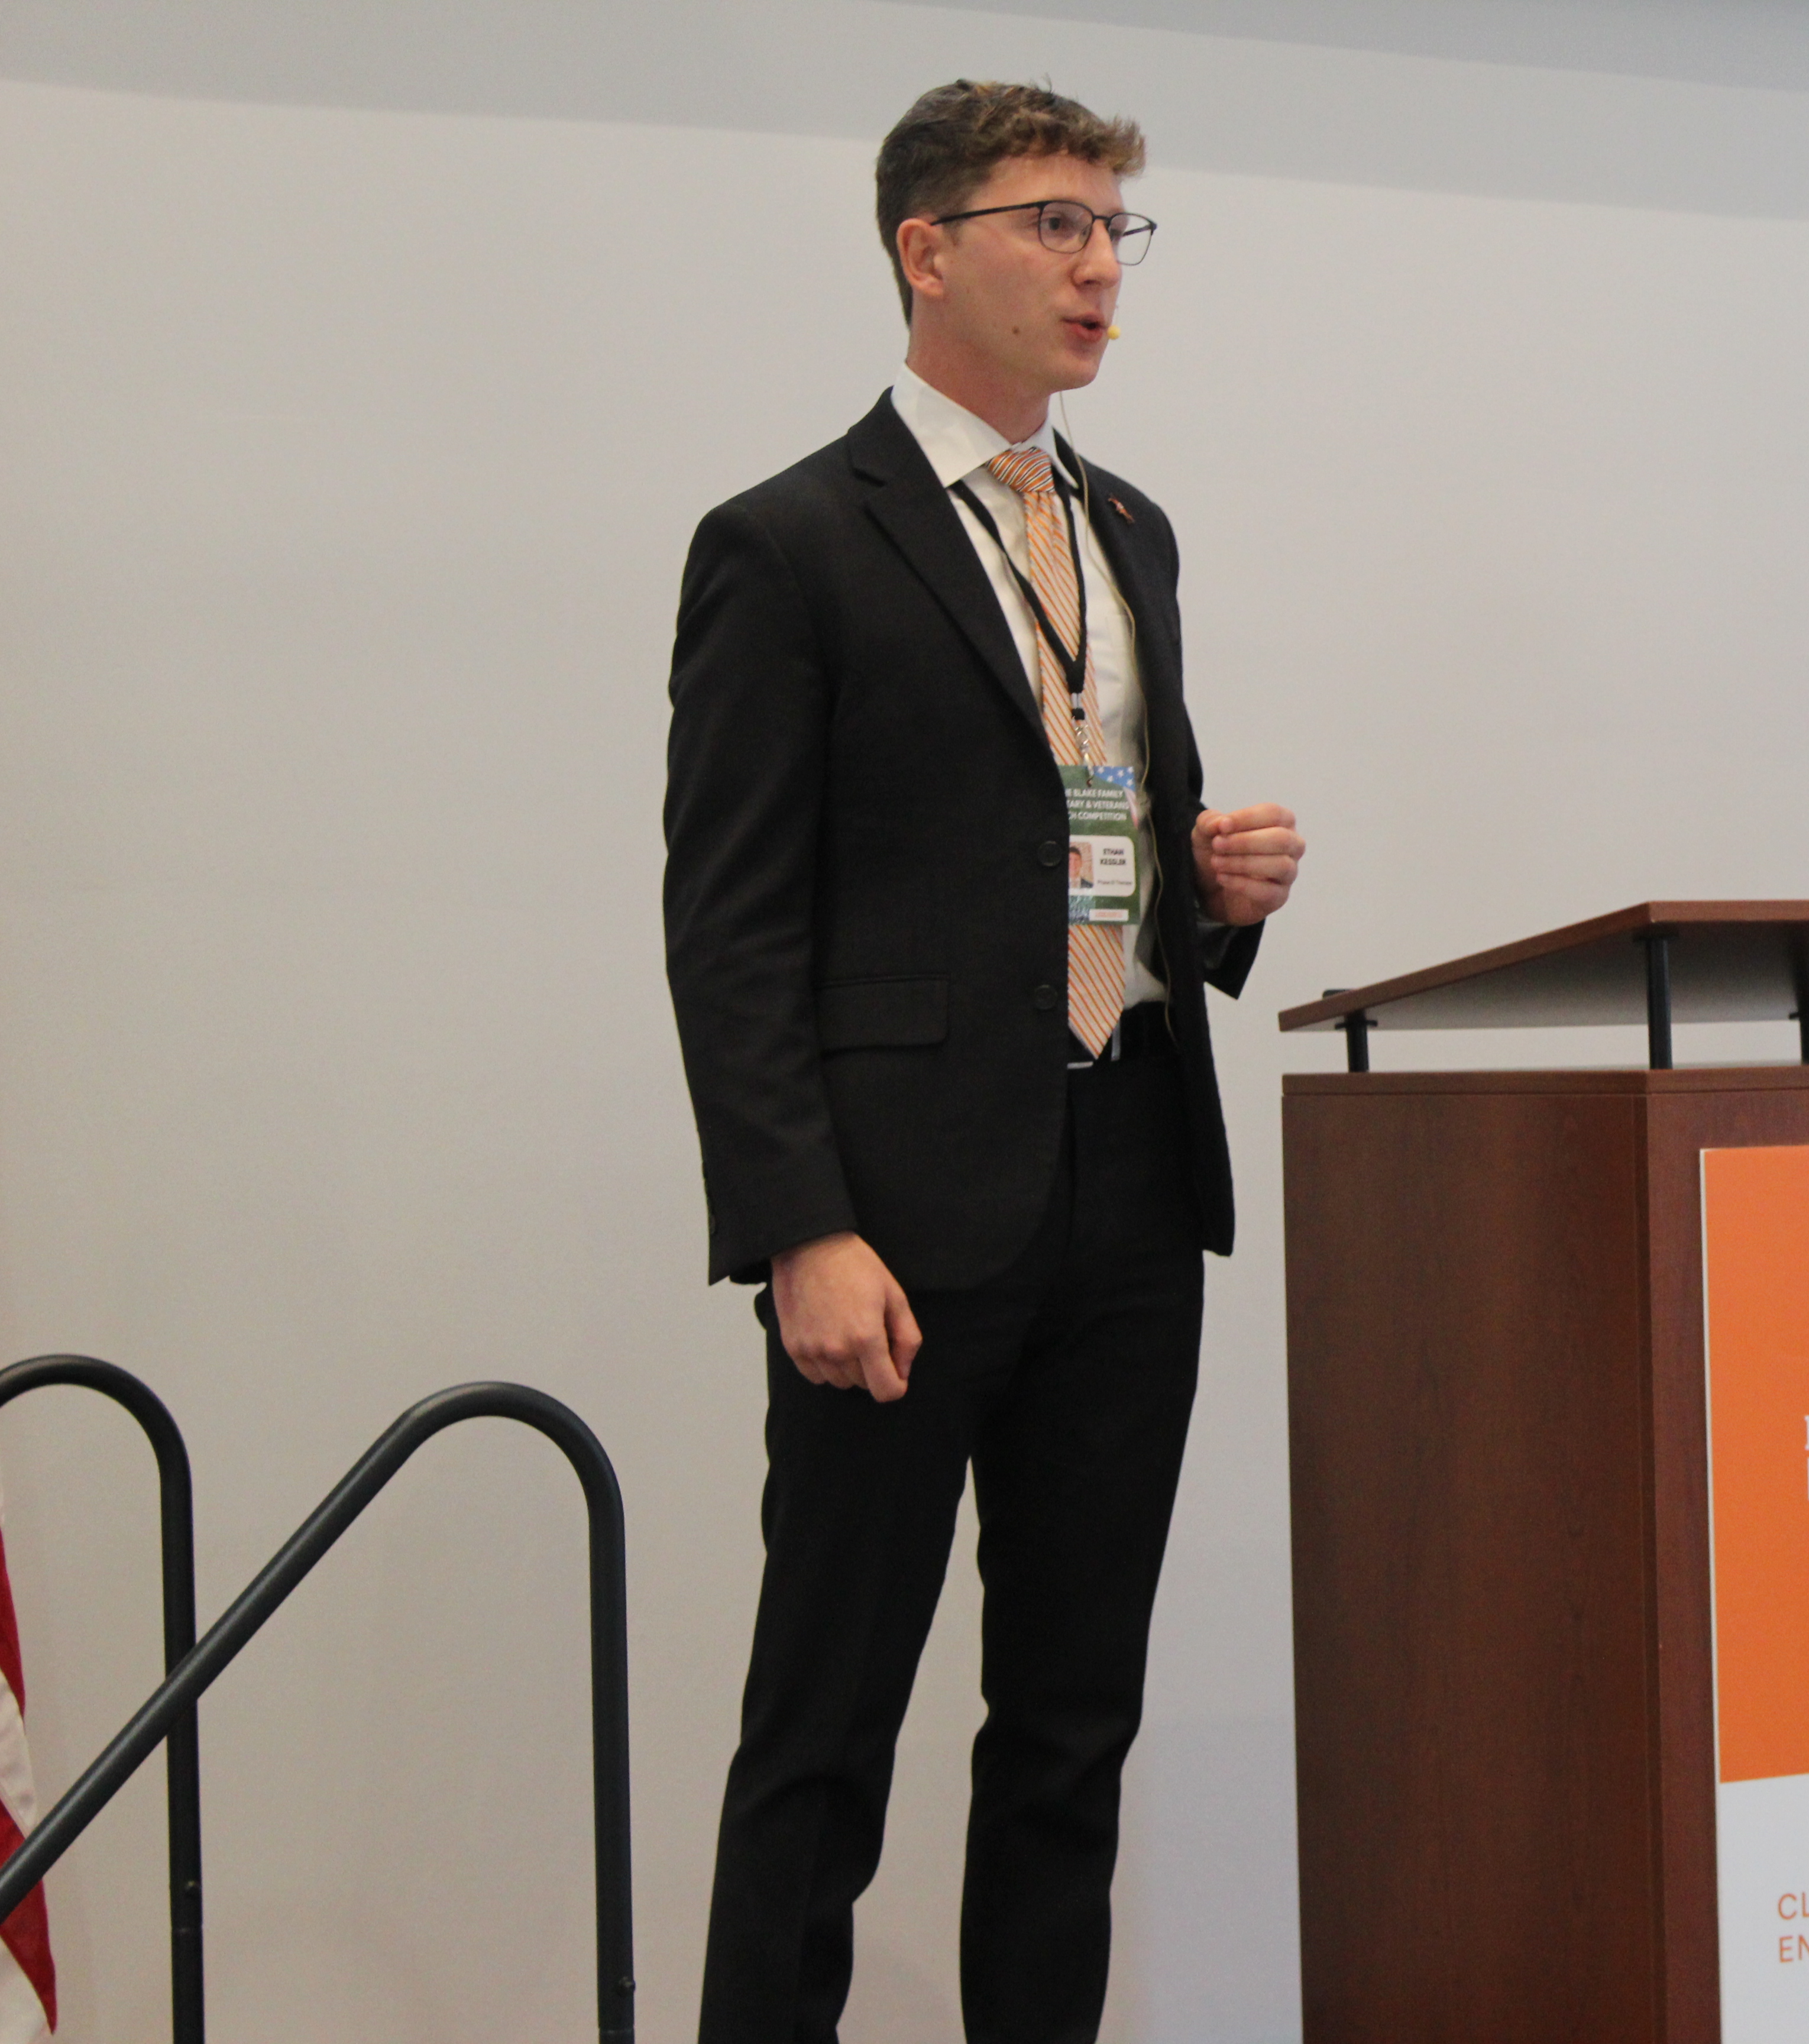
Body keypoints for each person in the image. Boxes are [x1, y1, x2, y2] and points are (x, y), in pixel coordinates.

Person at [661, 79, 1305, 2044]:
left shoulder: (1131, 529)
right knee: (823, 1737)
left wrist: (1222, 898)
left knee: (1069, 1733)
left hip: (1127, 1191)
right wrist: (801, 1229)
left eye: (1119, 230)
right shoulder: (787, 542)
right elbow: (732, 925)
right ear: (926, 250)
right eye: (1056, 224)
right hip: (900, 1228)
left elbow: (1097, 848)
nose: (1100, 266)